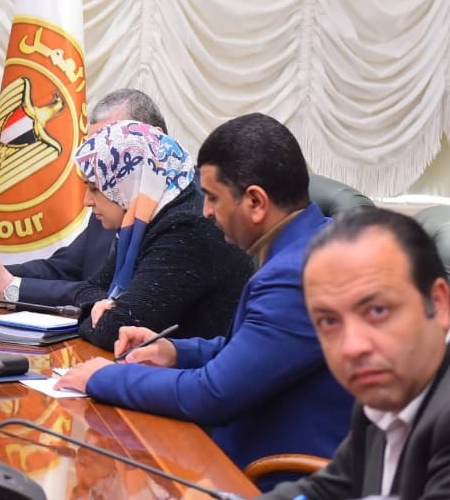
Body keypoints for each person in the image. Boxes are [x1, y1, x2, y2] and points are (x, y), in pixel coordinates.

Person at [55, 113, 354, 487]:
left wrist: (106, 377)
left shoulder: (297, 276)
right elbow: (248, 351)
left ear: (256, 201)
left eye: (213, 197)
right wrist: (174, 352)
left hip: (271, 475)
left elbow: (213, 394)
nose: (206, 210)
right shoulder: (310, 247)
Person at [261, 207, 450, 500]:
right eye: (328, 321)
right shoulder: (382, 395)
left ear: (438, 304)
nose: (352, 347)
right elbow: (323, 492)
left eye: (377, 311)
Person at [0, 88, 167, 305]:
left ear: (154, 140)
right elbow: (63, 269)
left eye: (109, 146)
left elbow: (110, 299)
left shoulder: (175, 221)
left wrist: (7, 286)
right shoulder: (111, 202)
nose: (97, 163)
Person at [67, 122, 252, 351]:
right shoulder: (140, 223)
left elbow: (116, 331)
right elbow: (89, 288)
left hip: (197, 367)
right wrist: (101, 307)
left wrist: (96, 311)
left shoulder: (186, 228)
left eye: (95, 188)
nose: (87, 201)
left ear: (129, 179)